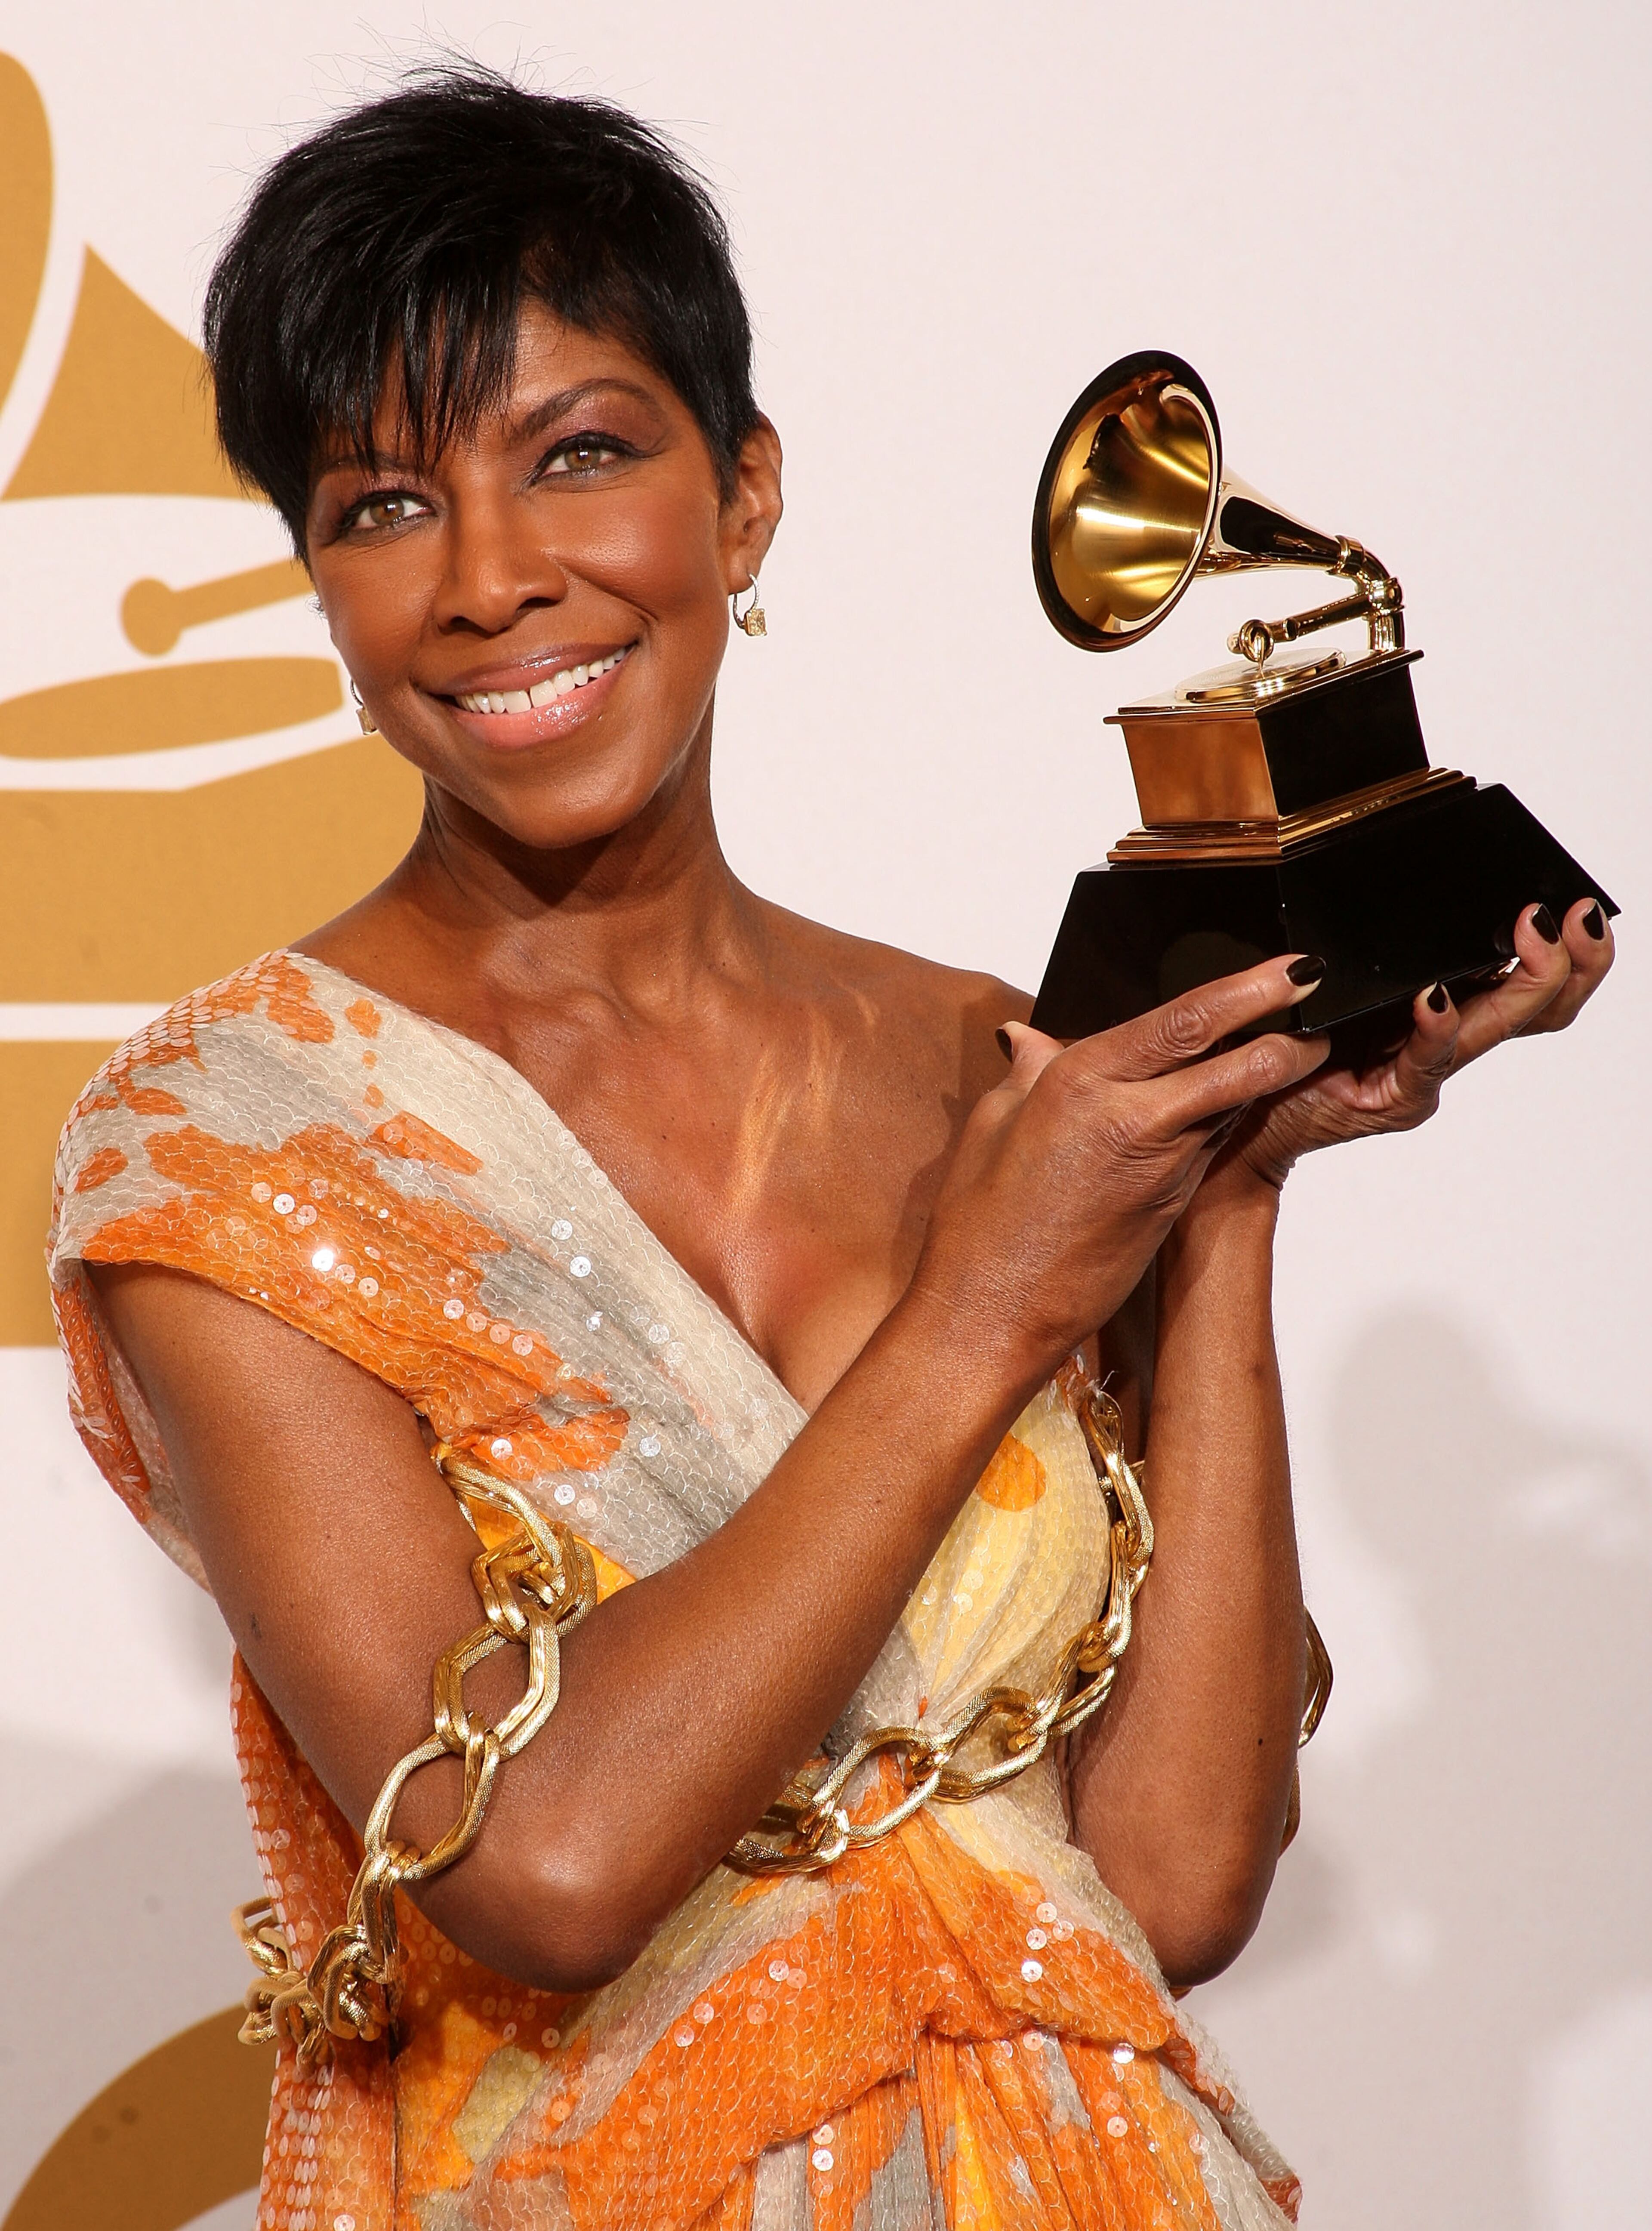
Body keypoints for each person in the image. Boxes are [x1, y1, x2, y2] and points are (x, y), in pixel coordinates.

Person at [47, 68, 1611, 2231]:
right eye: (384, 504)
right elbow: (552, 1859)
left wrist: (1227, 1190)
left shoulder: (989, 1059)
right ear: (319, 580)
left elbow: (1163, 1874)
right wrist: (994, 1292)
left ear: (745, 499)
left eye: (579, 453)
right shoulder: (228, 1153)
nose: (495, 579)